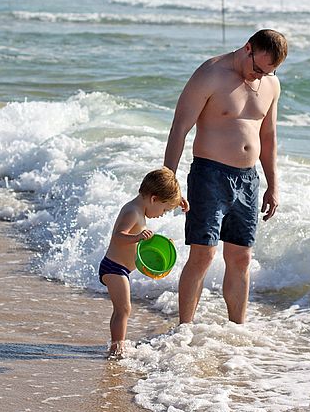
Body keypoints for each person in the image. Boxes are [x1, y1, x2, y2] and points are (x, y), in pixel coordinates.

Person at [164, 28, 288, 324]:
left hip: (248, 179)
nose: (259, 76)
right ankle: (185, 329)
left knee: (241, 258)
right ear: (248, 48)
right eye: (257, 68)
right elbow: (180, 127)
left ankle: (237, 330)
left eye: (267, 72)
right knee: (203, 254)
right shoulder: (211, 73)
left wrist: (273, 184)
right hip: (210, 174)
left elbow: (268, 136)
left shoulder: (270, 83)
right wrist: (168, 180)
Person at [99, 166, 182, 358]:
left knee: (121, 309)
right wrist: (137, 237)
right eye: (164, 209)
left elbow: (140, 241)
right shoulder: (132, 211)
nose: (162, 214)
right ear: (154, 199)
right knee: (124, 308)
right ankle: (117, 348)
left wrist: (159, 243)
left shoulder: (139, 211)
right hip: (114, 268)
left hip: (121, 269)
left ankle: (116, 345)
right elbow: (118, 237)